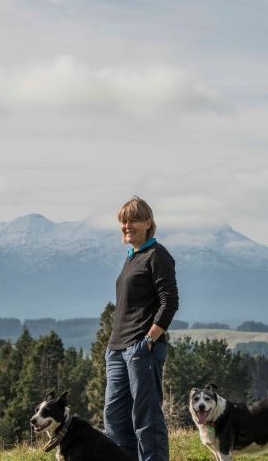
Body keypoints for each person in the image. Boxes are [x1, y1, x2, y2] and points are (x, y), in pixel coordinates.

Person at [104, 196, 179, 461]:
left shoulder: (157, 255)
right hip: (116, 349)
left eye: (133, 220)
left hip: (141, 348)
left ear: (148, 223)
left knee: (146, 418)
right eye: (124, 221)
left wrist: (149, 340)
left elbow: (170, 302)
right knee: (113, 418)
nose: (127, 226)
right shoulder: (132, 257)